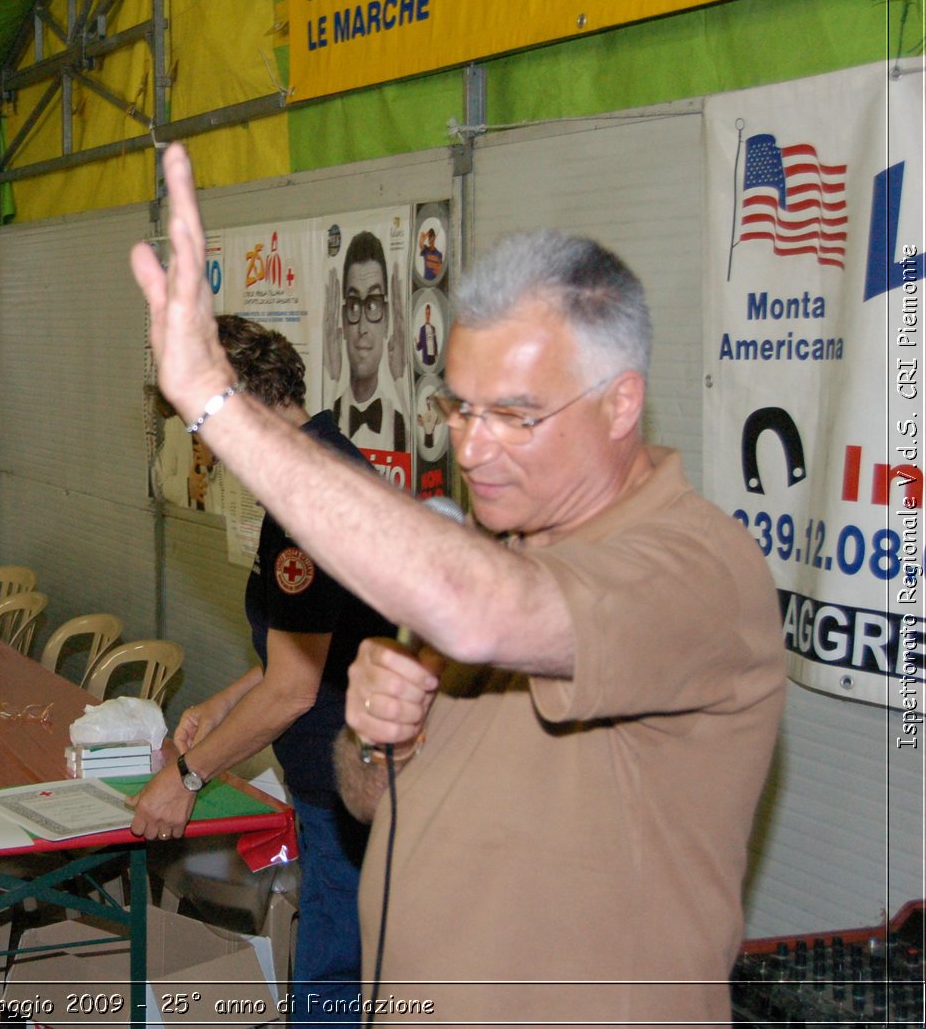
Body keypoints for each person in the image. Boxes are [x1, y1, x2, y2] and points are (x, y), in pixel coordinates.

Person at [131, 143, 785, 1025]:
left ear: (621, 403)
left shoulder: (692, 569)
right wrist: (373, 742)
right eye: (460, 409)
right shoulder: (498, 547)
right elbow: (370, 798)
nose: (472, 448)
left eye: (515, 415)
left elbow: (482, 613)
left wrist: (217, 405)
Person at [129, 315, 396, 1021]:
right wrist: (223, 703)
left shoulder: (309, 498)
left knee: (331, 987)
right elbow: (318, 643)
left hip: (350, 786)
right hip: (340, 777)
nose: (203, 447)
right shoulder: (318, 465)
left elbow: (294, 688)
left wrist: (187, 778)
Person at [330, 231, 406, 450]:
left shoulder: (404, 426)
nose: (362, 328)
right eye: (354, 305)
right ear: (343, 321)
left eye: (372, 305)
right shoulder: (325, 415)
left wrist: (400, 381)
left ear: (387, 318)